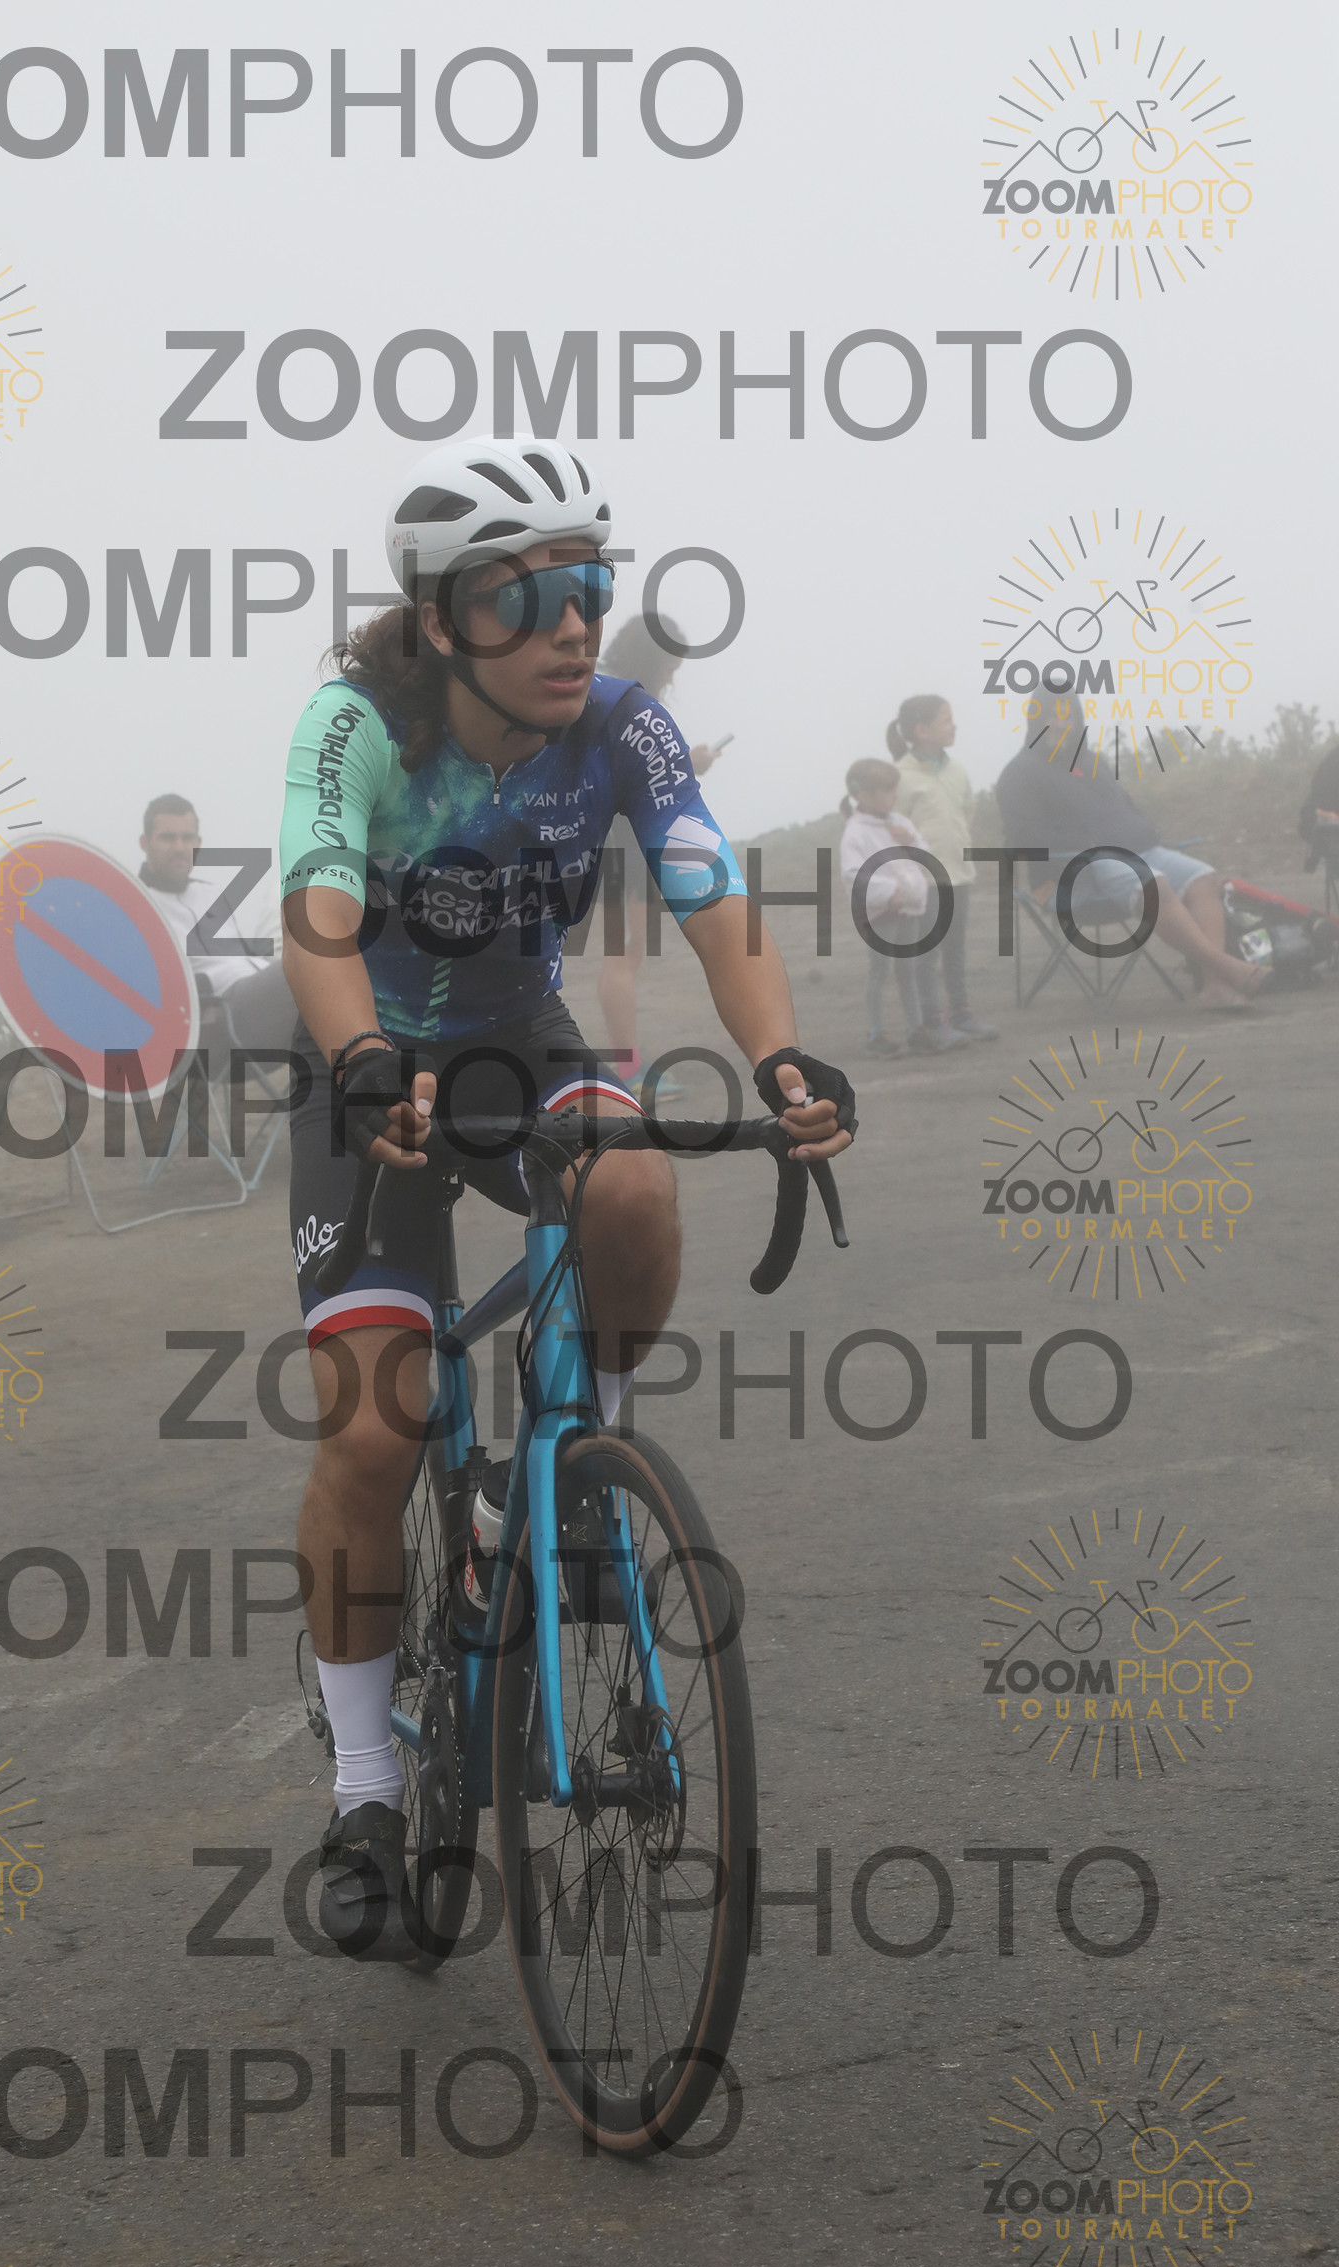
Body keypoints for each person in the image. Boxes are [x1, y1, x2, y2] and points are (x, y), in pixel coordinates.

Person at [276, 435, 855, 1958]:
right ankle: (363, 1786)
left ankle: (576, 1460)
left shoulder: (622, 727)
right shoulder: (359, 724)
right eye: (527, 599)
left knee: (635, 1186)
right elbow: (317, 918)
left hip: (517, 1042)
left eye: (589, 588)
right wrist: (358, 1065)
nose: (573, 626)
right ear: (441, 619)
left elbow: (713, 894)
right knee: (373, 1428)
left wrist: (783, 1059)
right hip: (368, 1063)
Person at [995, 723, 1271, 1006]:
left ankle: (1215, 985)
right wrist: (1084, 841)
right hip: (1067, 871)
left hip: (1127, 852)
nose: (1059, 724)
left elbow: (1124, 809)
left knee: (1203, 877)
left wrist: (1143, 830)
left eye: (1067, 716)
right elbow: (1021, 837)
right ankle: (1228, 967)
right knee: (1153, 884)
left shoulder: (1092, 763)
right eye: (1050, 716)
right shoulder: (1020, 773)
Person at [593, 614, 721, 1093]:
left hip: (619, 839)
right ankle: (627, 1069)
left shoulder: (602, 688)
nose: (672, 676)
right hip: (620, 841)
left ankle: (628, 1064)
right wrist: (689, 762)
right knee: (623, 955)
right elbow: (625, 771)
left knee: (626, 953)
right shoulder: (621, 699)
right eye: (670, 664)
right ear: (652, 656)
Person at [137, 793, 297, 1061]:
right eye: (167, 838)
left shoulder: (209, 894)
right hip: (218, 1019)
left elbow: (242, 956)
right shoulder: (138, 906)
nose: (179, 847)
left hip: (259, 992)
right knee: (311, 965)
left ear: (198, 843)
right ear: (145, 843)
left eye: (187, 838)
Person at [887, 695, 996, 1040]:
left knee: (955, 948)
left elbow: (967, 812)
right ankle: (932, 1022)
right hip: (924, 879)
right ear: (922, 730)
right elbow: (893, 828)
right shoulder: (900, 777)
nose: (954, 725)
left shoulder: (957, 771)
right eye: (946, 719)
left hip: (958, 873)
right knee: (926, 952)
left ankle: (962, 1015)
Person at [839, 761, 934, 1057]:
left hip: (910, 907)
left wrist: (912, 840)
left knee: (908, 969)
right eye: (886, 790)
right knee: (879, 970)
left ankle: (916, 1030)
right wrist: (888, 892)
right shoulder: (855, 832)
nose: (894, 795)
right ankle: (876, 1034)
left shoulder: (900, 823)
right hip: (881, 912)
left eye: (894, 788)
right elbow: (853, 874)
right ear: (863, 795)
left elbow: (924, 857)